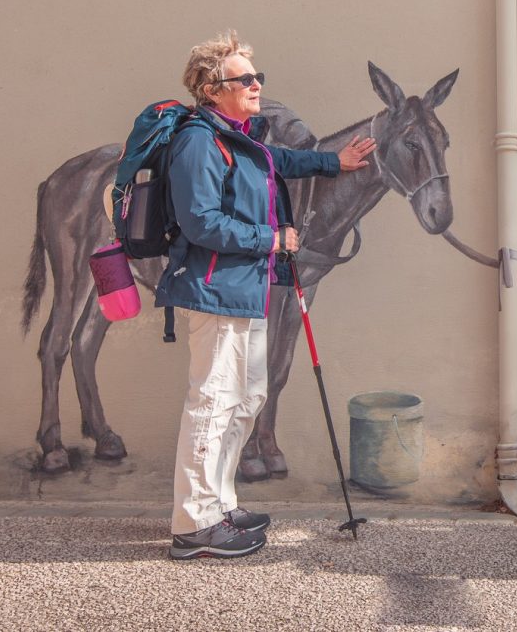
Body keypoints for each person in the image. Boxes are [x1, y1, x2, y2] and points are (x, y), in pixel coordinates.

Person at [159, 30, 376, 560]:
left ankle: (219, 504)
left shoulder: (240, 140)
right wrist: (271, 238)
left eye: (258, 78)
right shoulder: (198, 142)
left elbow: (282, 161)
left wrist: (335, 162)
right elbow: (200, 221)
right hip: (215, 290)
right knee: (211, 403)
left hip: (248, 289)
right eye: (245, 79)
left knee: (248, 396)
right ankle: (193, 526)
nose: (258, 86)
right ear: (213, 89)